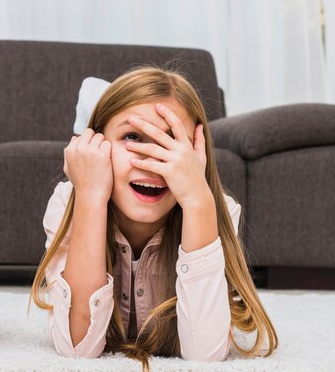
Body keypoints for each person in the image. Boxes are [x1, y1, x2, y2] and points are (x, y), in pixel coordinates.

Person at [31, 67, 277, 368]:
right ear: (95, 145)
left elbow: (205, 356)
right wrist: (91, 198)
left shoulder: (213, 209)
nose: (151, 163)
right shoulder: (71, 201)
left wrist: (198, 201)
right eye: (132, 137)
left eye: (170, 143)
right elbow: (77, 349)